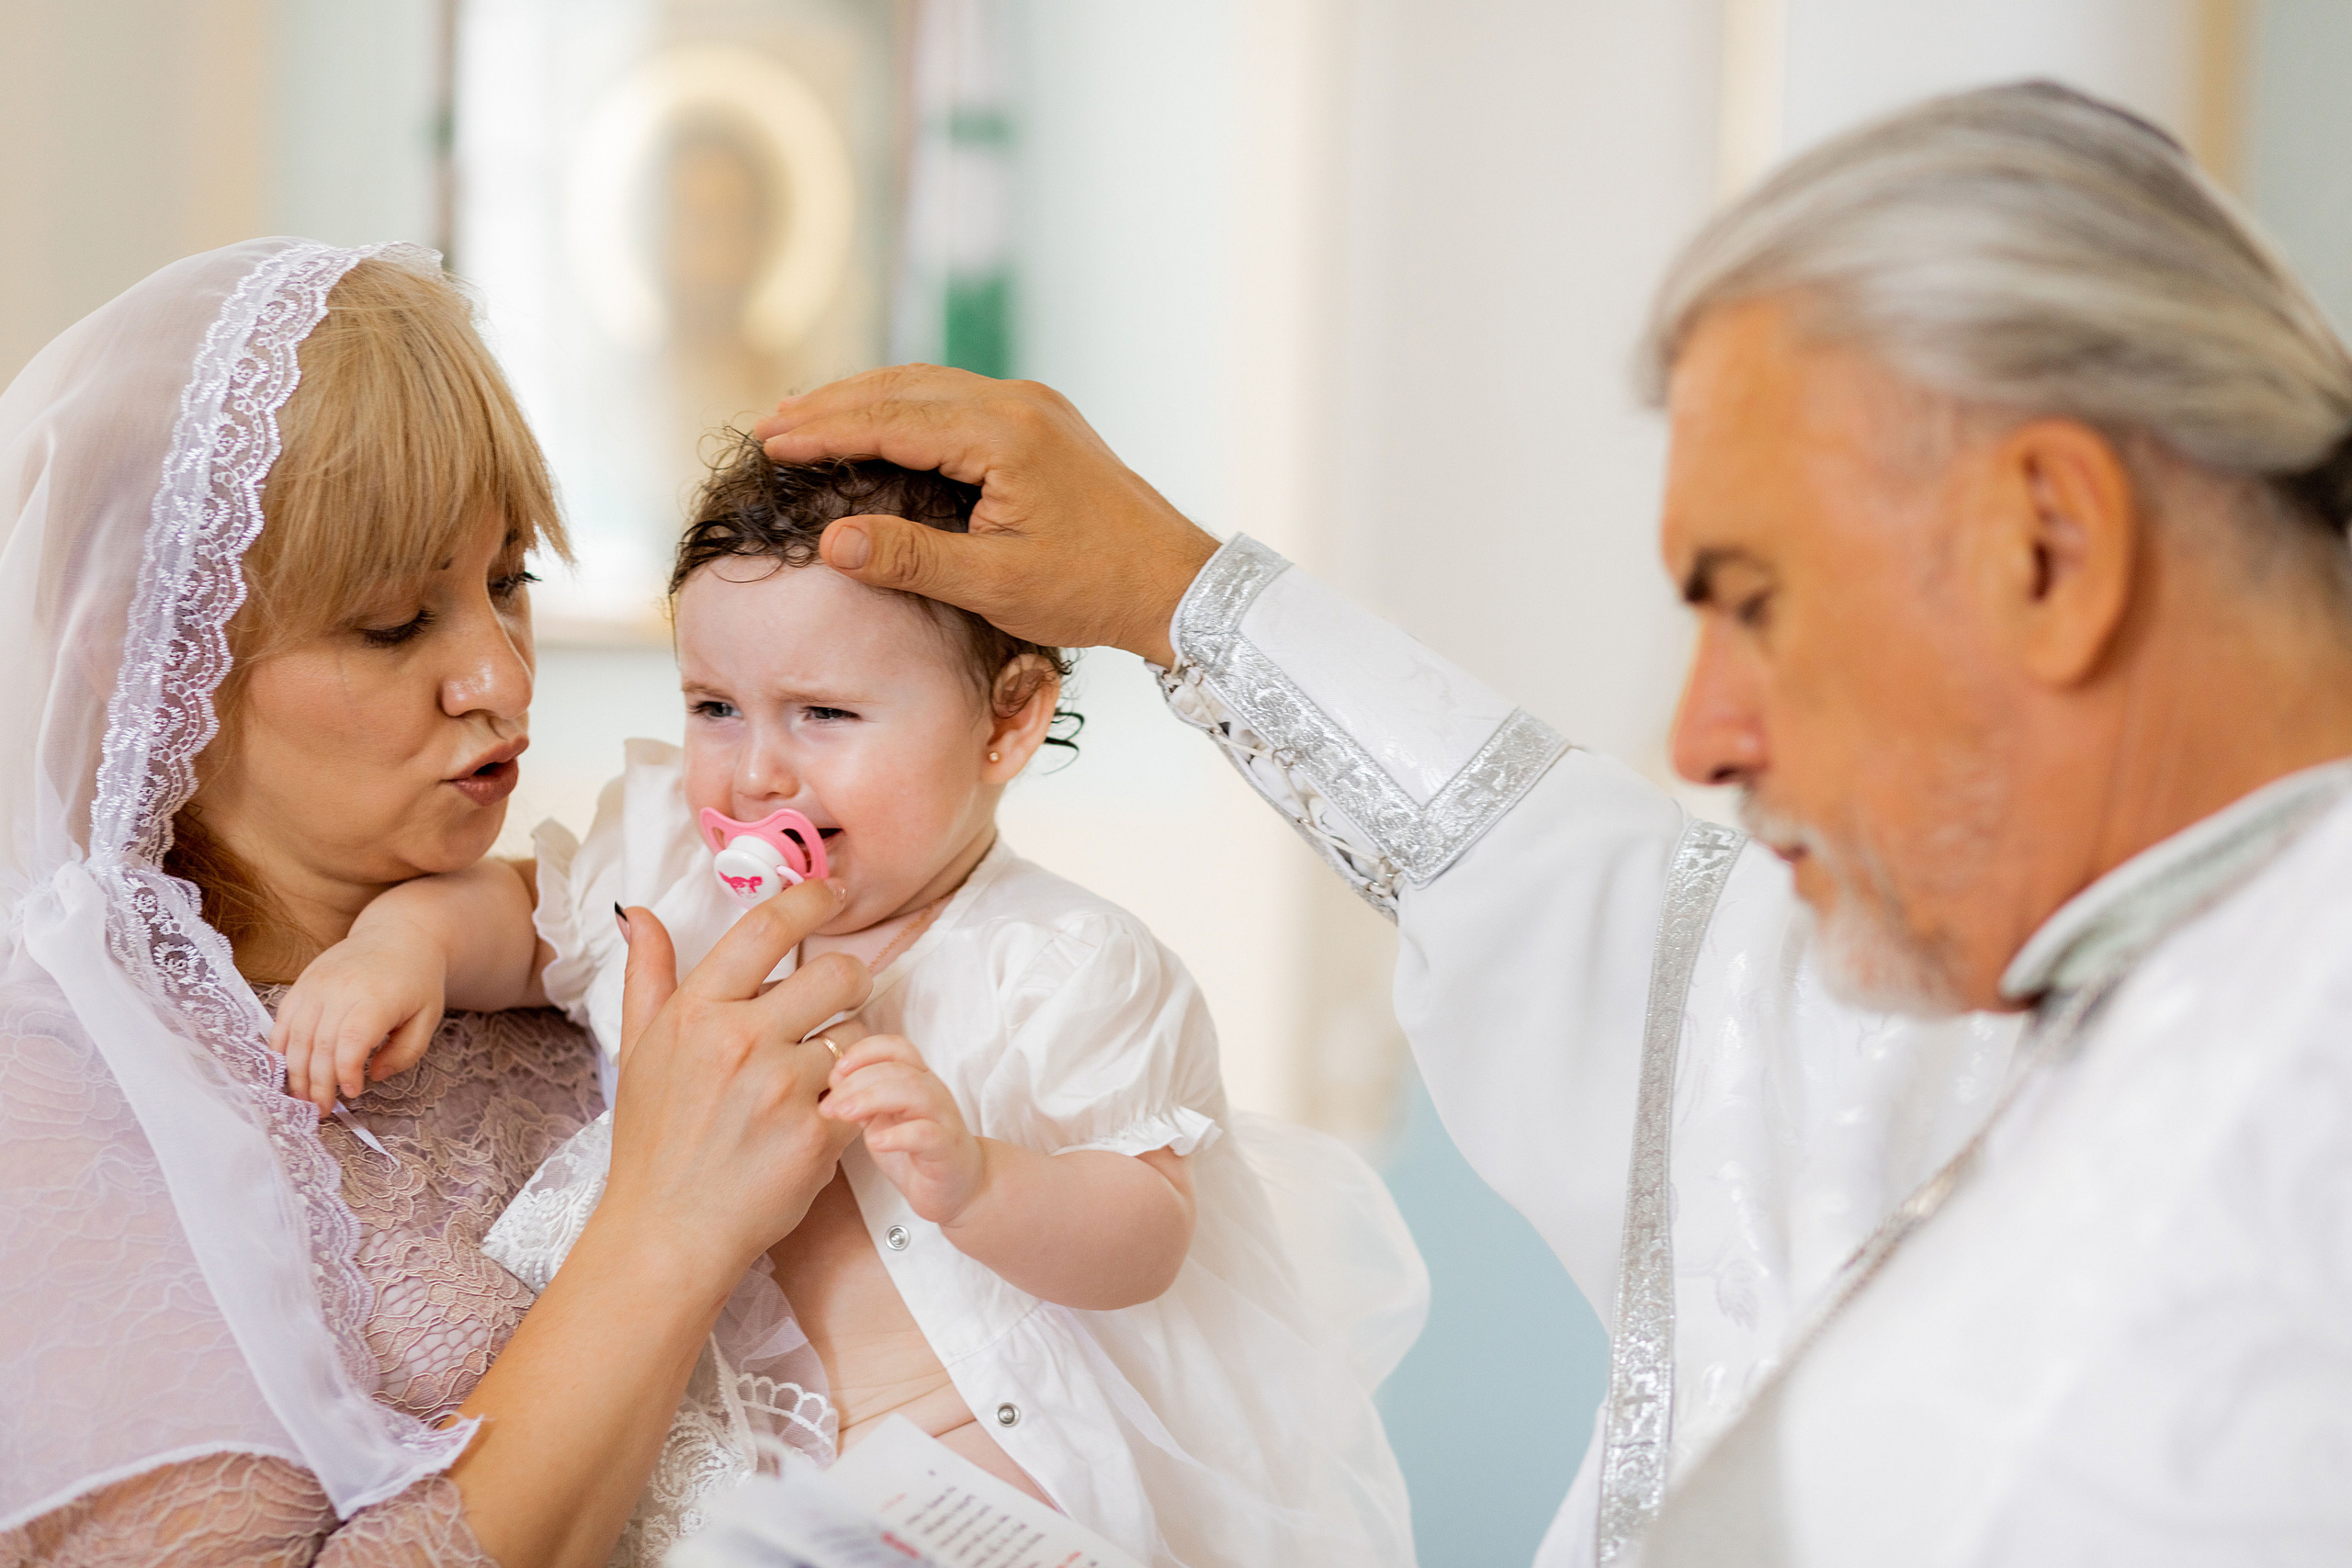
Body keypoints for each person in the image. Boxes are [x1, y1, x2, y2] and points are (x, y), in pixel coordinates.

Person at [750, 82, 2352, 1566]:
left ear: (2048, 548)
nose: (1704, 735)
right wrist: (1173, 596)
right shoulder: (2041, 930)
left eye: (1759, 604)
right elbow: (1603, 905)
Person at [270, 442, 1426, 1568]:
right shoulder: (671, 860)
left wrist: (978, 1178)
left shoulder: (1064, 964)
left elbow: (1147, 1235)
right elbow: (524, 919)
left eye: (822, 714)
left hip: (964, 1452)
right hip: (721, 1457)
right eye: (716, 706)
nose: (757, 771)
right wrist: (398, 947)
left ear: (1007, 720)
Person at [0, 241, 868, 1567]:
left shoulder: (562, 946)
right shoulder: (58, 1098)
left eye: (508, 578)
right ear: (141, 660)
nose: (502, 680)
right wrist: (666, 1221)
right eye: (397, 621)